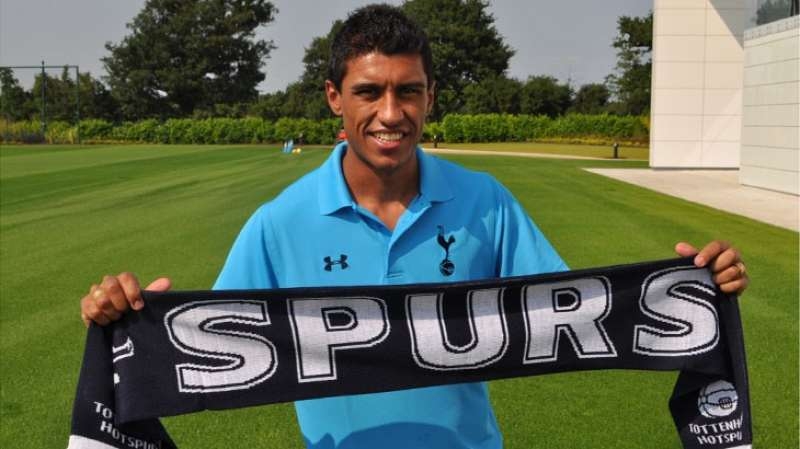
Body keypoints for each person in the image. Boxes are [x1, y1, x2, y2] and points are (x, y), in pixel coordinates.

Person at [80, 5, 750, 449]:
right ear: (335, 98)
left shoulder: (485, 201)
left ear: (430, 97)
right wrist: (127, 321)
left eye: (408, 90)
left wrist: (691, 291)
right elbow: (209, 345)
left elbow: (575, 310)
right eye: (369, 91)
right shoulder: (278, 223)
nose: (390, 112)